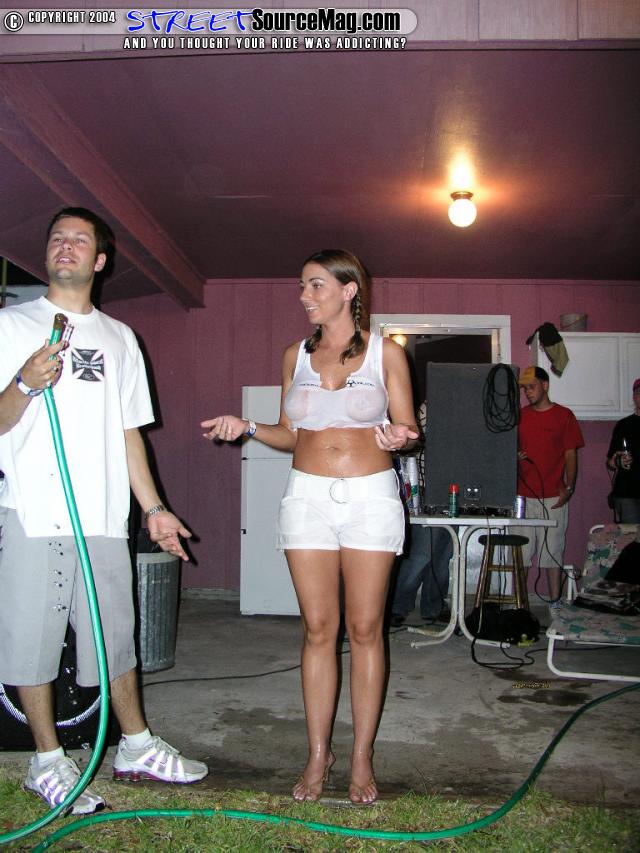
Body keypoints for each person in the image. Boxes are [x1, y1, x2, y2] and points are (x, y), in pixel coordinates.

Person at [0, 208, 207, 815]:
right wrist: (24, 383)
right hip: (35, 512)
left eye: (79, 240)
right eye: (56, 238)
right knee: (31, 645)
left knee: (115, 640)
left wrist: (154, 509)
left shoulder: (120, 338)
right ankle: (47, 762)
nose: (65, 246)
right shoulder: (11, 326)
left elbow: (129, 434)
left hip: (104, 520)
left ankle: (135, 746)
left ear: (99, 260)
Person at [202, 249, 418, 805]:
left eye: (316, 285)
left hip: (371, 497)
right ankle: (319, 753)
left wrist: (401, 437)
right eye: (302, 285)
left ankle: (362, 755)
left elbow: (407, 428)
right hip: (307, 498)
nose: (304, 296)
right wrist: (248, 427)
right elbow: (290, 433)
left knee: (366, 628)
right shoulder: (294, 356)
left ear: (349, 290)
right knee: (318, 628)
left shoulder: (386, 353)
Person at [516, 365, 584, 605]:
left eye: (532, 387)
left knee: (553, 552)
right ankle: (520, 606)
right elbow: (508, 451)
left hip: (554, 496)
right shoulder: (520, 416)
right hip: (523, 496)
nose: (528, 392)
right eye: (525, 388)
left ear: (545, 386)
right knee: (521, 553)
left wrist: (570, 487)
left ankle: (555, 602)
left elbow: (571, 454)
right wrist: (516, 456)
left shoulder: (564, 416)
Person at [391, 402, 452, 626]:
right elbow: (411, 444)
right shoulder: (427, 409)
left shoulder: (461, 409)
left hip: (453, 490)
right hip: (426, 490)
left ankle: (433, 606)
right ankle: (398, 605)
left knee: (443, 555)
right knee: (422, 554)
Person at [606, 377, 640, 522]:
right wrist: (617, 461)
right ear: (634, 397)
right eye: (639, 393)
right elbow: (609, 462)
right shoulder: (623, 425)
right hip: (627, 494)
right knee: (629, 534)